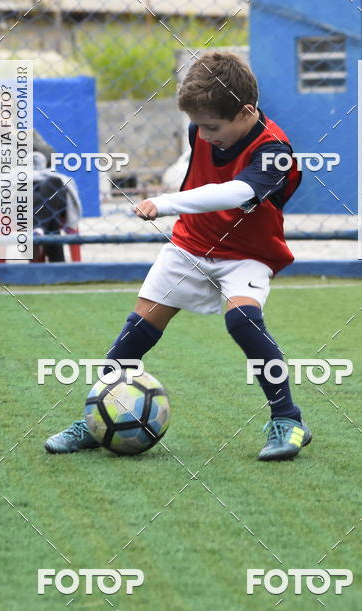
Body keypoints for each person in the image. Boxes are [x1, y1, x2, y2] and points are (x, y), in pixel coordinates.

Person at [45, 51, 309, 461]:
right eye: (198, 126)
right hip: (189, 246)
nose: (203, 136)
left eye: (213, 127)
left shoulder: (274, 150)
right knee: (132, 337)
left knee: (242, 321)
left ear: (247, 111)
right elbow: (206, 170)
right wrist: (181, 203)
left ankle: (288, 419)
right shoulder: (200, 130)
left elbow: (236, 192)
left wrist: (167, 202)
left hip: (247, 254)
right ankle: (96, 420)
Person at [0, 86, 80, 262]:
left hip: (40, 190)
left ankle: (34, 233)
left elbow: (50, 157)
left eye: (8, 110)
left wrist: (16, 138)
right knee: (49, 206)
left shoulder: (27, 134)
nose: (4, 116)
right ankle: (56, 261)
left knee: (55, 183)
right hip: (9, 195)